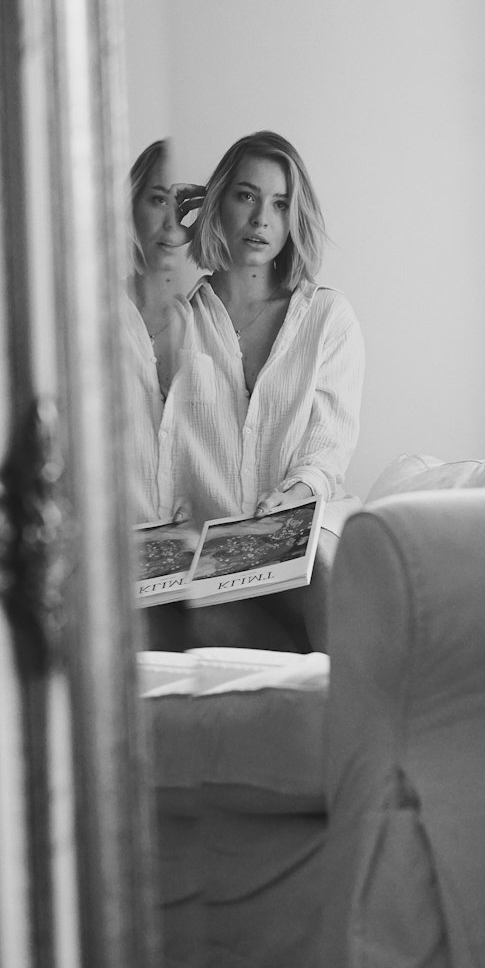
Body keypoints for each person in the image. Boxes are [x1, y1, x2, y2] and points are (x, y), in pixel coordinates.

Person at [177, 129, 365, 652]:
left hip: (306, 522)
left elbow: (327, 454)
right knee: (197, 614)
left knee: (321, 550)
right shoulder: (175, 321)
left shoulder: (328, 318)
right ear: (217, 204)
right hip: (217, 550)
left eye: (280, 204)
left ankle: (344, 710)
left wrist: (293, 495)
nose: (262, 218)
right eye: (246, 196)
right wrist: (165, 242)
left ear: (293, 220)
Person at [122, 139, 205, 649]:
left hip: (192, 568)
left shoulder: (211, 327)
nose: (173, 223)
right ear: (129, 206)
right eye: (158, 200)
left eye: (188, 205)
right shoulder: (87, 317)